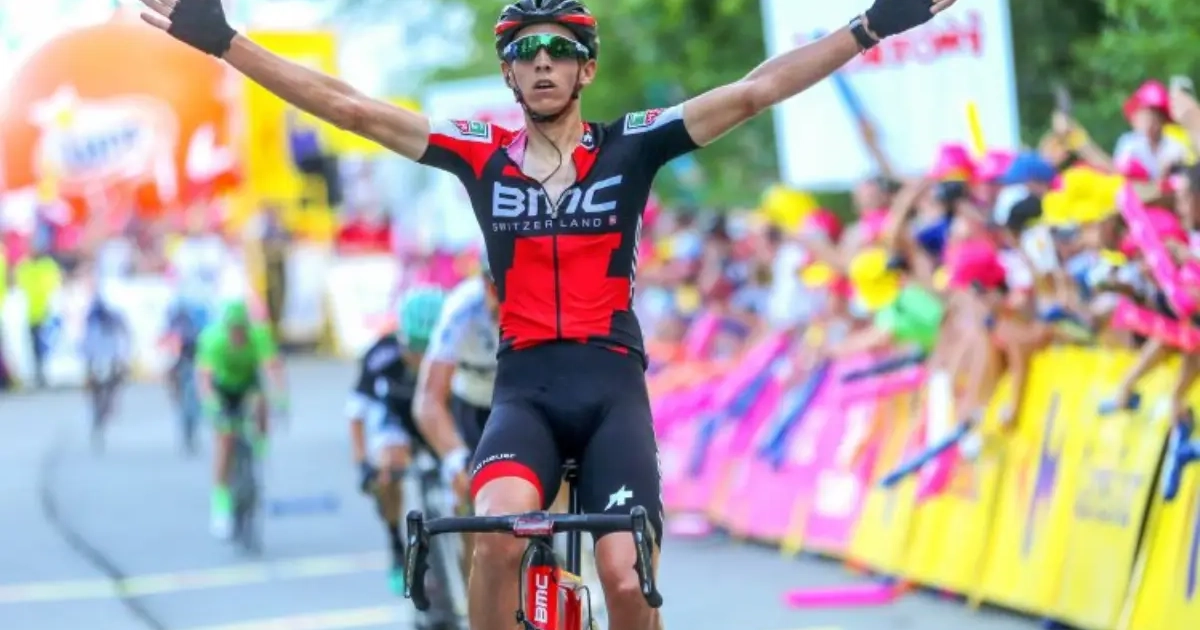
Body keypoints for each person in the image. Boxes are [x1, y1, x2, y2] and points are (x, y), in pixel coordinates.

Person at [138, 0, 956, 626]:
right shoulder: (477, 154)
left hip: (611, 390)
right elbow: (350, 108)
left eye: (559, 50)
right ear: (508, 73)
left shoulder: (634, 143)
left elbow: (754, 91)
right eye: (525, 52)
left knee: (627, 580)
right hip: (523, 392)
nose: (541, 63)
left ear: (585, 69)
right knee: (495, 537)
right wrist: (227, 42)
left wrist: (871, 25)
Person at [346, 286, 445, 595]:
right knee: (388, 468)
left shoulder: (456, 349)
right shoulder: (379, 356)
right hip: (397, 420)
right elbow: (356, 414)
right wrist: (363, 464)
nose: (422, 358)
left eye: (430, 349)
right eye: (415, 348)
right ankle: (394, 543)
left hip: (438, 414)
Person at [195, 298, 287, 540]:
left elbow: (272, 368)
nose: (237, 335)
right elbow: (205, 379)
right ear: (226, 328)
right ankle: (220, 505)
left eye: (241, 329)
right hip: (223, 389)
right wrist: (211, 404)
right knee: (225, 441)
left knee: (261, 402)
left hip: (248, 385)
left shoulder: (259, 336)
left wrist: (282, 398)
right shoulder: (214, 340)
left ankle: (261, 448)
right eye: (233, 330)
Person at [82, 297, 132, 448]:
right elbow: (86, 348)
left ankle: (108, 408)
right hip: (97, 363)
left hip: (110, 362)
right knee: (95, 391)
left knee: (114, 385)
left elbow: (123, 344)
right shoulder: (91, 327)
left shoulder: (114, 327)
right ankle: (99, 414)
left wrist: (122, 362)